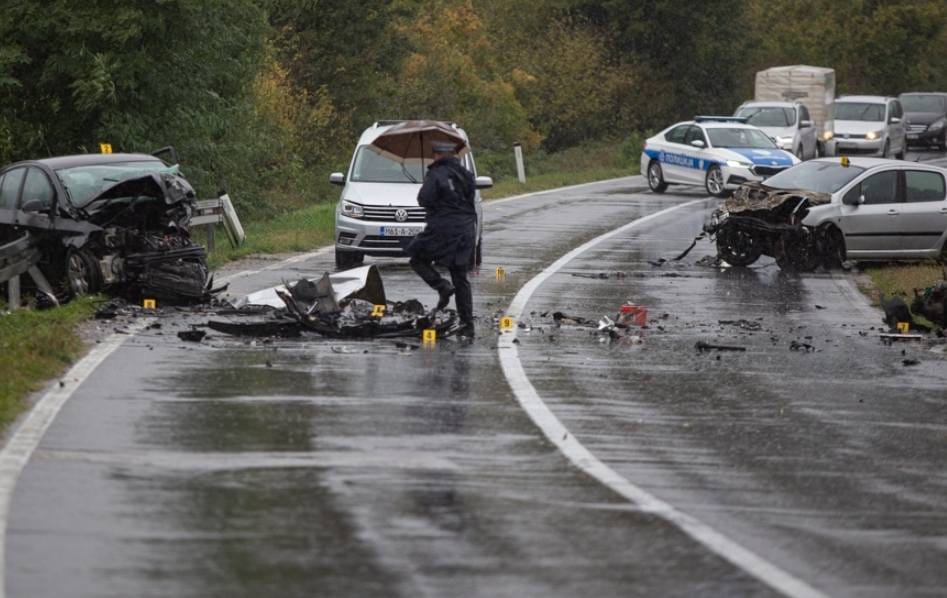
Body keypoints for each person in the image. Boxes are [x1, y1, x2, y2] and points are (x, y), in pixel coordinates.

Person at [406, 141, 477, 337]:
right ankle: (467, 324)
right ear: (453, 155)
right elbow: (469, 198)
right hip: (466, 229)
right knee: (460, 276)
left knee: (417, 258)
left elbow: (424, 199)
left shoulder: (436, 174)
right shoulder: (466, 174)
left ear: (437, 155)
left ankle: (442, 286)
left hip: (442, 229)